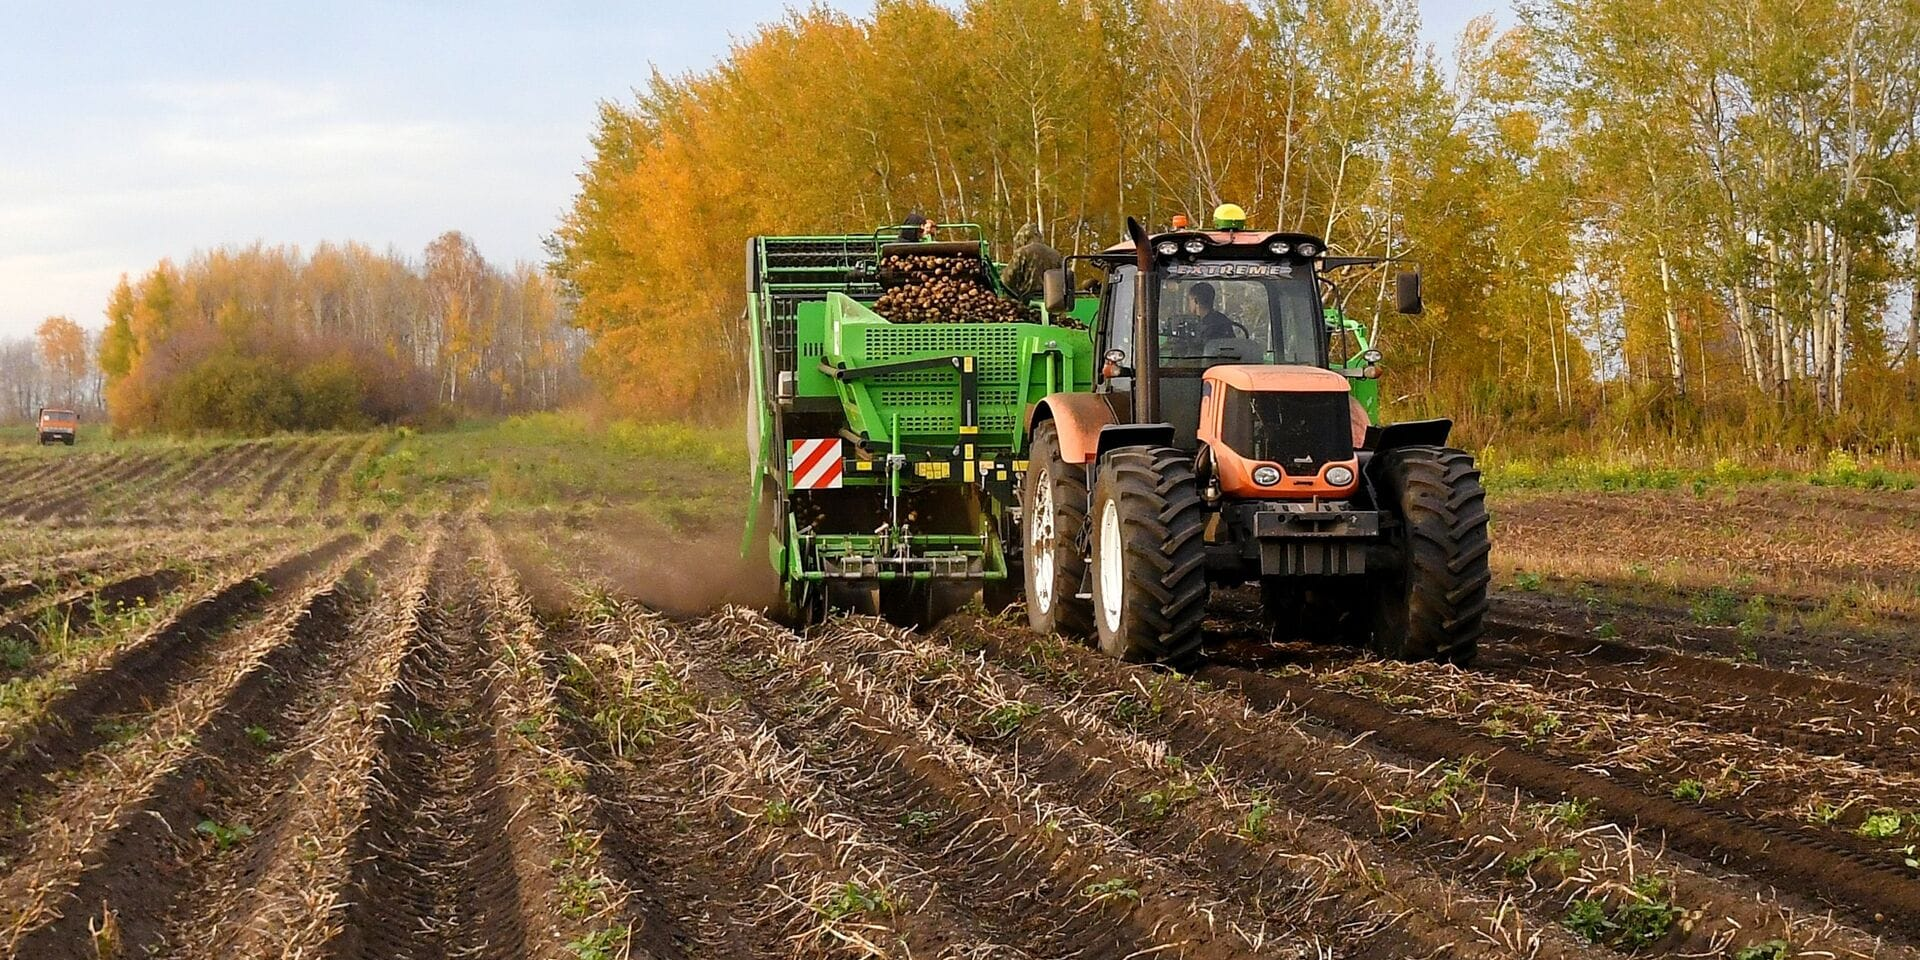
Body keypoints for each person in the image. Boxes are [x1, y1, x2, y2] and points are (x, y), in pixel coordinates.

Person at [999, 223, 1063, 301]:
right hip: (1052, 301)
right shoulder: (1055, 254)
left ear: (1024, 237)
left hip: (1027, 302)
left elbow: (1006, 280)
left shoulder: (1021, 253)